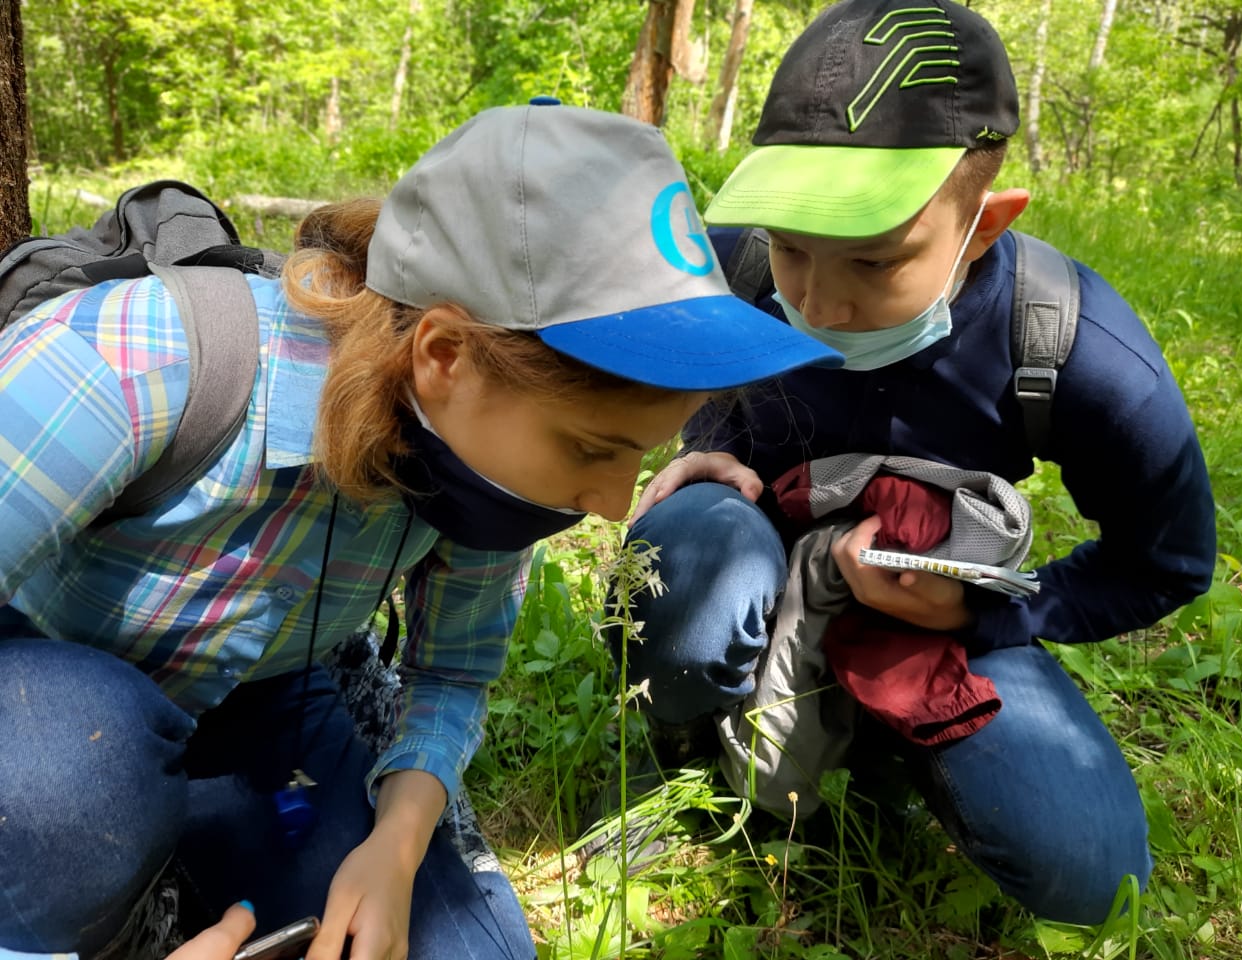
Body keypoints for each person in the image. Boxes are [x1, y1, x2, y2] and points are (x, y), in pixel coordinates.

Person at [0, 103, 841, 960]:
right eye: (592, 449)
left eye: (639, 455)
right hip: (45, 709)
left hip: (263, 695)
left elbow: (451, 672)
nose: (613, 504)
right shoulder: (133, 367)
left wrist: (397, 847)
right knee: (64, 782)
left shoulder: (475, 461)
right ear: (443, 355)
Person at [612, 0, 1216, 926]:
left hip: (935, 612)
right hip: (749, 557)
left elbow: (1166, 562)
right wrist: (703, 441)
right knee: (691, 569)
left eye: (875, 262)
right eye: (791, 246)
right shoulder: (731, 266)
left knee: (1092, 875)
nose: (819, 303)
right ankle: (695, 747)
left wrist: (988, 611)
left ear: (984, 224)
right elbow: (637, 375)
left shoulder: (1076, 347)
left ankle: (891, 745)